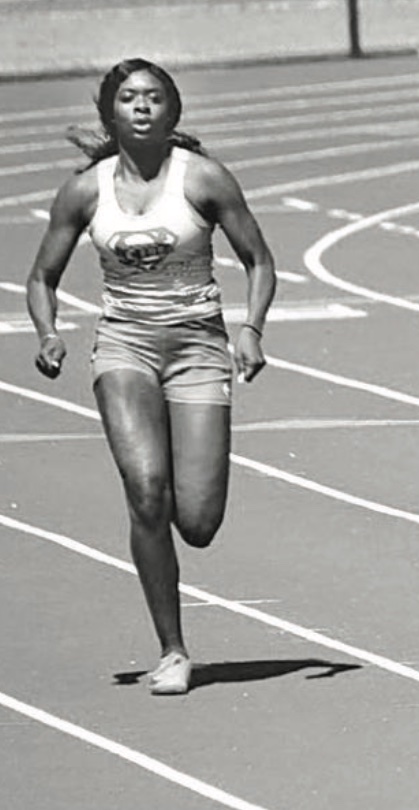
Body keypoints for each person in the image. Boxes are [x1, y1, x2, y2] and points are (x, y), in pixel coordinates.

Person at [25, 58, 277, 696]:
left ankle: (182, 516)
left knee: (196, 522)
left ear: (174, 112)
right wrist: (49, 332)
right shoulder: (86, 190)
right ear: (111, 113)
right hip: (124, 347)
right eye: (130, 98)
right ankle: (172, 650)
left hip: (197, 347)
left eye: (155, 98)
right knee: (145, 492)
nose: (142, 107)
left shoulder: (206, 181)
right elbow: (41, 278)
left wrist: (250, 330)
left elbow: (259, 260)